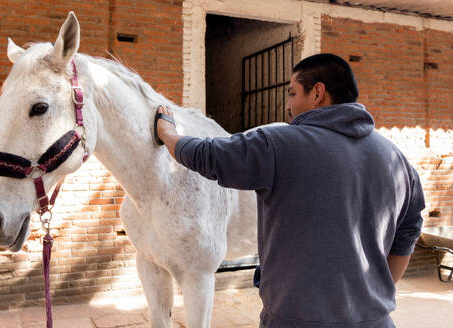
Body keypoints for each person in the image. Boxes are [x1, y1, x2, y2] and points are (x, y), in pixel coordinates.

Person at [155, 53, 424, 328]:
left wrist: (168, 133)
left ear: (318, 93)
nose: (287, 106)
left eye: (292, 93)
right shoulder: (397, 160)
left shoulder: (279, 144)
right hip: (375, 321)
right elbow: (409, 231)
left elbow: (208, 155)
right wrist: (374, 292)